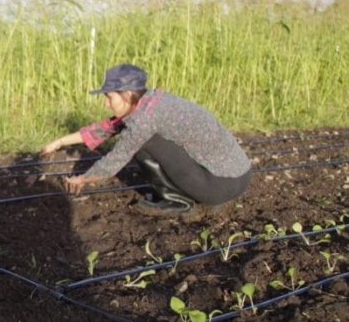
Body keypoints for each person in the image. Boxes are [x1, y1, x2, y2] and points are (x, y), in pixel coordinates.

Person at [40, 63, 252, 216]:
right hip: (238, 177)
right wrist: (59, 142)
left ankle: (178, 203)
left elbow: (115, 159)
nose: (106, 104)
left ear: (127, 94)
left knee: (144, 143)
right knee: (143, 137)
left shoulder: (144, 120)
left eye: (109, 97)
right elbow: (107, 127)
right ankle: (195, 195)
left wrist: (82, 179)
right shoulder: (153, 101)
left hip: (219, 185)